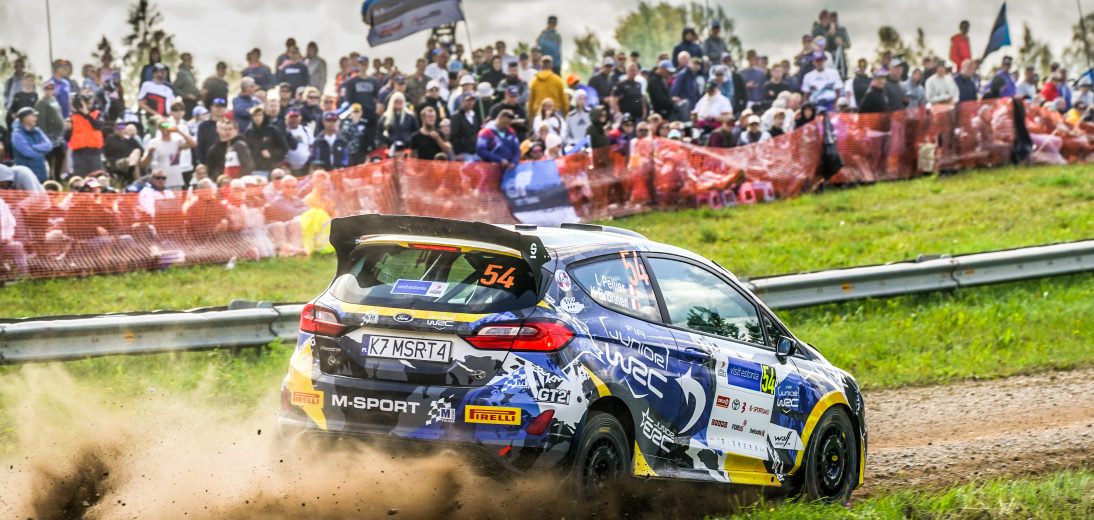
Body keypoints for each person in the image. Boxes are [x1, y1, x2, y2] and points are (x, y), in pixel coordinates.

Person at [143, 120, 196, 188]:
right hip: (160, 182)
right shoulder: (153, 142)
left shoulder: (177, 141)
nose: (165, 129)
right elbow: (143, 164)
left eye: (167, 126)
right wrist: (149, 154)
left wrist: (179, 131)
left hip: (176, 181)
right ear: (159, 128)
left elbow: (193, 144)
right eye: (162, 126)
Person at [244, 105, 288, 177]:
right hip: (255, 169)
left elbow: (284, 148)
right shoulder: (248, 132)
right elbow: (246, 151)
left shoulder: (273, 130)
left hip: (272, 168)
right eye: (255, 115)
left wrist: (271, 153)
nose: (257, 118)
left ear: (264, 116)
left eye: (260, 115)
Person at [11, 107, 53, 182]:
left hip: (41, 173)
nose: (36, 118)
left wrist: (33, 147)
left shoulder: (38, 131)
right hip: (26, 177)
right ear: (25, 118)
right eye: (33, 116)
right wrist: (42, 152)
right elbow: (27, 152)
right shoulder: (17, 134)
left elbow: (49, 145)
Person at [69, 96, 104, 177]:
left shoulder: (97, 114)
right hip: (79, 153)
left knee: (96, 176)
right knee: (80, 176)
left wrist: (87, 114)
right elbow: (68, 136)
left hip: (94, 151)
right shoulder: (74, 117)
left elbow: (98, 126)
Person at [450, 94, 482, 161]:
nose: (470, 103)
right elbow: (454, 135)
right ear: (462, 102)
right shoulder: (456, 116)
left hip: (474, 151)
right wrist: (458, 152)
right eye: (468, 100)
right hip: (464, 152)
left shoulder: (474, 115)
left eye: (472, 101)